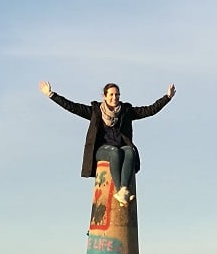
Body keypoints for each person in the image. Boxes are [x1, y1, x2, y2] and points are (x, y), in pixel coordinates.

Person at [39, 81, 176, 205]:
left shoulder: (126, 111)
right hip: (102, 150)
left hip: (121, 147)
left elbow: (150, 110)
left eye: (117, 95)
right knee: (115, 152)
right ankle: (119, 190)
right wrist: (51, 94)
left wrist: (167, 97)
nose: (114, 97)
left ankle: (123, 190)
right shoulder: (95, 111)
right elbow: (72, 107)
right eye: (111, 94)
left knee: (129, 151)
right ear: (104, 96)